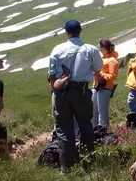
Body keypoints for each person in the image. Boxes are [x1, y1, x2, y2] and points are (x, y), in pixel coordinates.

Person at [48, 20, 103, 172]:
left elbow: (52, 75)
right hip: (82, 91)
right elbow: (98, 68)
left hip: (61, 92)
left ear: (66, 32)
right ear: (80, 30)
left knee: (64, 128)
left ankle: (68, 166)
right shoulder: (90, 49)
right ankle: (88, 162)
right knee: (85, 124)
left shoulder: (57, 49)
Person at [92, 38, 119, 133]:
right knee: (94, 111)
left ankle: (103, 132)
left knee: (102, 112)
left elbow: (113, 76)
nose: (99, 48)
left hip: (105, 88)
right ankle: (95, 130)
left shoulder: (112, 60)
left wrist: (100, 73)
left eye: (100, 46)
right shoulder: (102, 58)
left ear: (103, 47)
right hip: (97, 87)